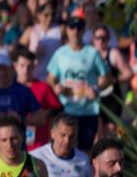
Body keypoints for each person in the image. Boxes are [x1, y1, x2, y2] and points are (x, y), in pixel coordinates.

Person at [46, 17, 111, 149]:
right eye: (72, 27)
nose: (75, 31)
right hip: (65, 109)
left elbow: (108, 77)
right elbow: (50, 78)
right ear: (67, 30)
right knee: (63, 148)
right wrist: (55, 86)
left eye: (79, 28)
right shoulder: (60, 53)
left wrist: (96, 88)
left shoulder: (92, 53)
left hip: (88, 110)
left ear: (83, 31)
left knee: (85, 150)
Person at [29, 113, 92, 177]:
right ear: (52, 134)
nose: (67, 141)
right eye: (63, 135)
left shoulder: (84, 160)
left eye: (71, 136)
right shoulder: (35, 157)